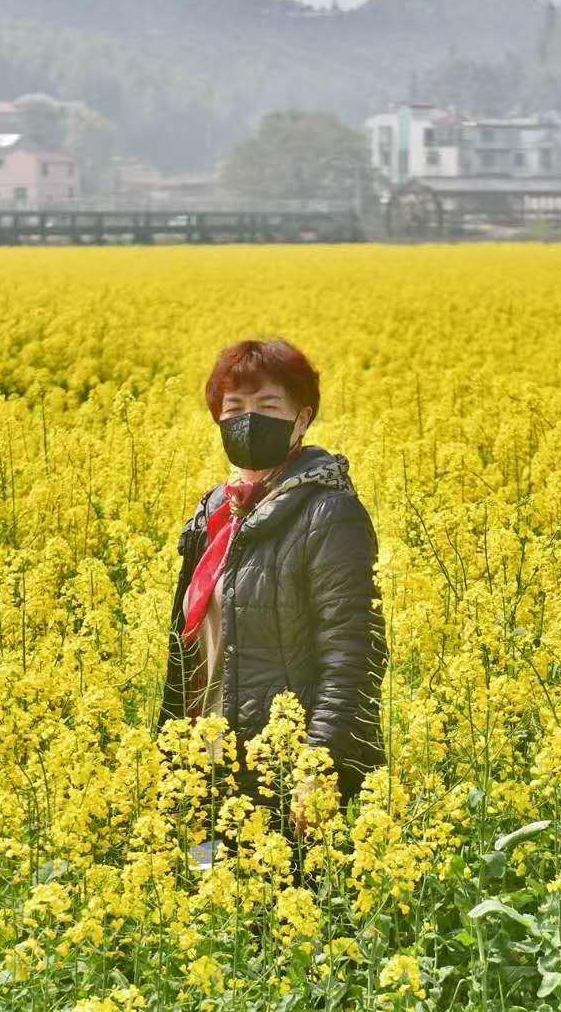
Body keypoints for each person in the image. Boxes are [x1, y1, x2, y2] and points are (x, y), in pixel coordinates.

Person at [160, 338, 387, 851]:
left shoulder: (329, 514)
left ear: (302, 419)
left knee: (282, 916)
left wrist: (318, 765)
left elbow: (352, 654)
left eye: (268, 407)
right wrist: (171, 758)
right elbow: (188, 650)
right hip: (206, 760)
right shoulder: (217, 512)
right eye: (233, 407)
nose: (247, 421)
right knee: (210, 915)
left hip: (283, 771)